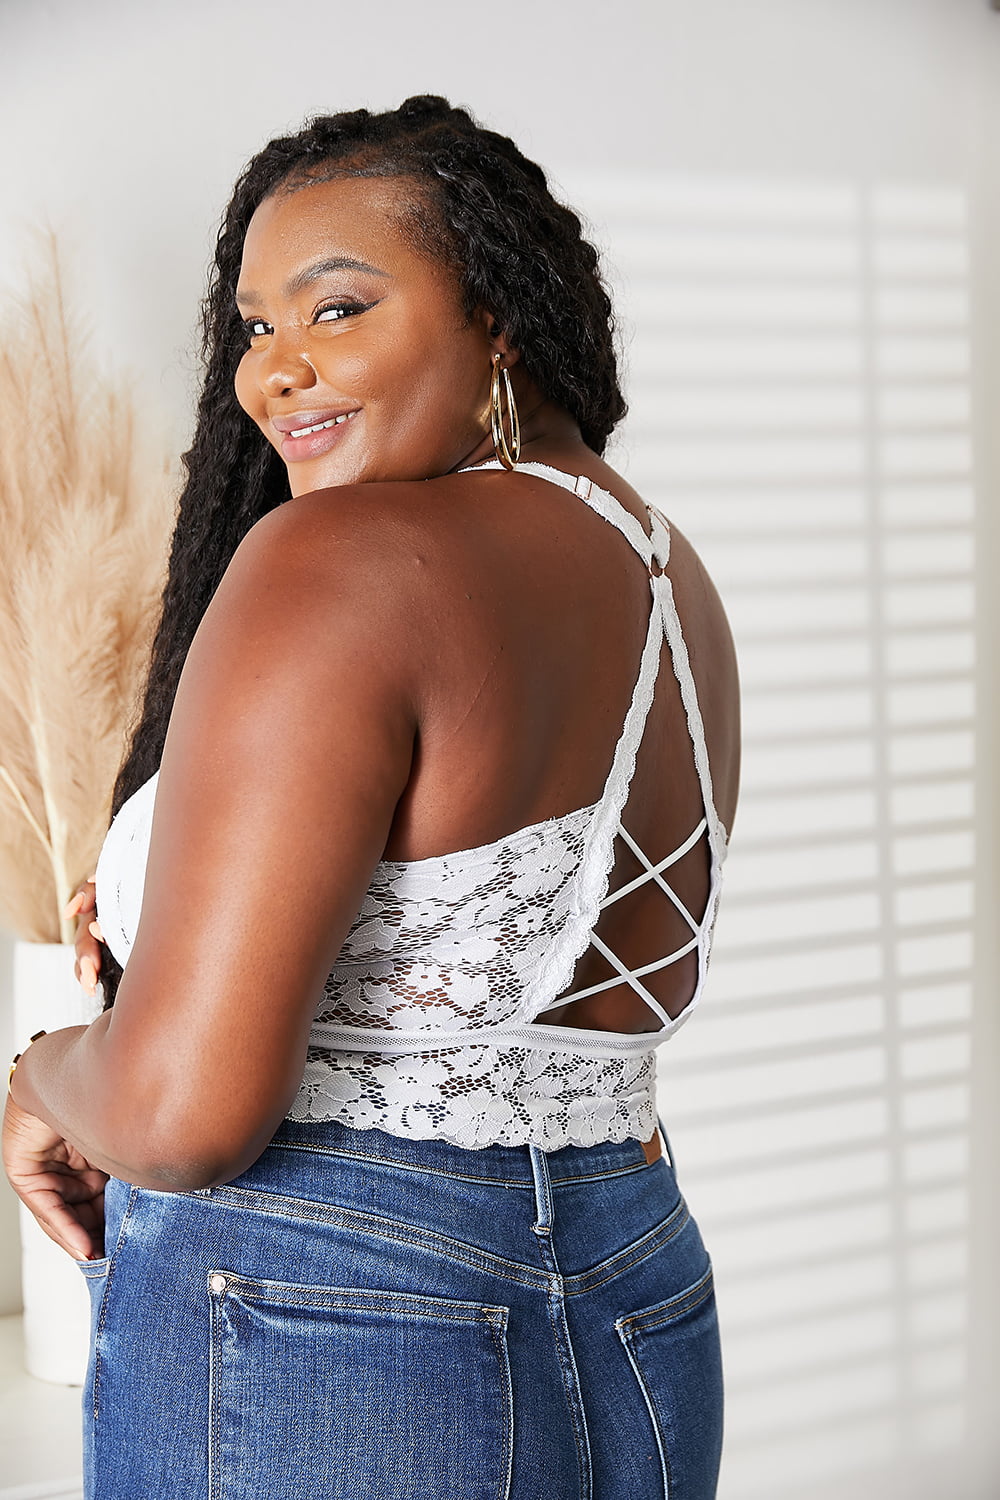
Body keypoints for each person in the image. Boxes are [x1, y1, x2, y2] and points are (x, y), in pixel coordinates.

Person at [2, 96, 739, 1499]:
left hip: (324, 1301)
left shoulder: (337, 559)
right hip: (634, 1270)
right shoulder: (656, 565)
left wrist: (41, 1074)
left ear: (501, 313)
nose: (275, 371)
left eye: (336, 309)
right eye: (255, 328)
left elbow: (183, 1113)